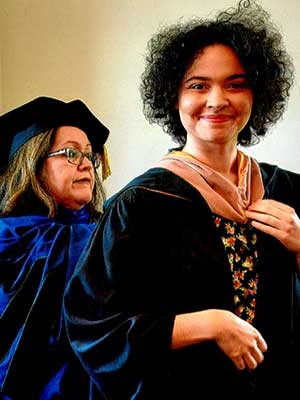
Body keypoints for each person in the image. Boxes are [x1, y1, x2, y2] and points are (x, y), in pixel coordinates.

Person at [64, 0, 300, 398]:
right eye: (198, 85)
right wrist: (209, 324)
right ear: (173, 97)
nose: (217, 100)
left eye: (236, 84)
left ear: (257, 94)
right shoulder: (139, 205)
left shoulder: (289, 192)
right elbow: (91, 326)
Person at [0, 96, 110, 399]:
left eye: (90, 155)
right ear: (34, 165)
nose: (87, 164)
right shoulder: (9, 237)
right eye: (71, 153)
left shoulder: (104, 228)